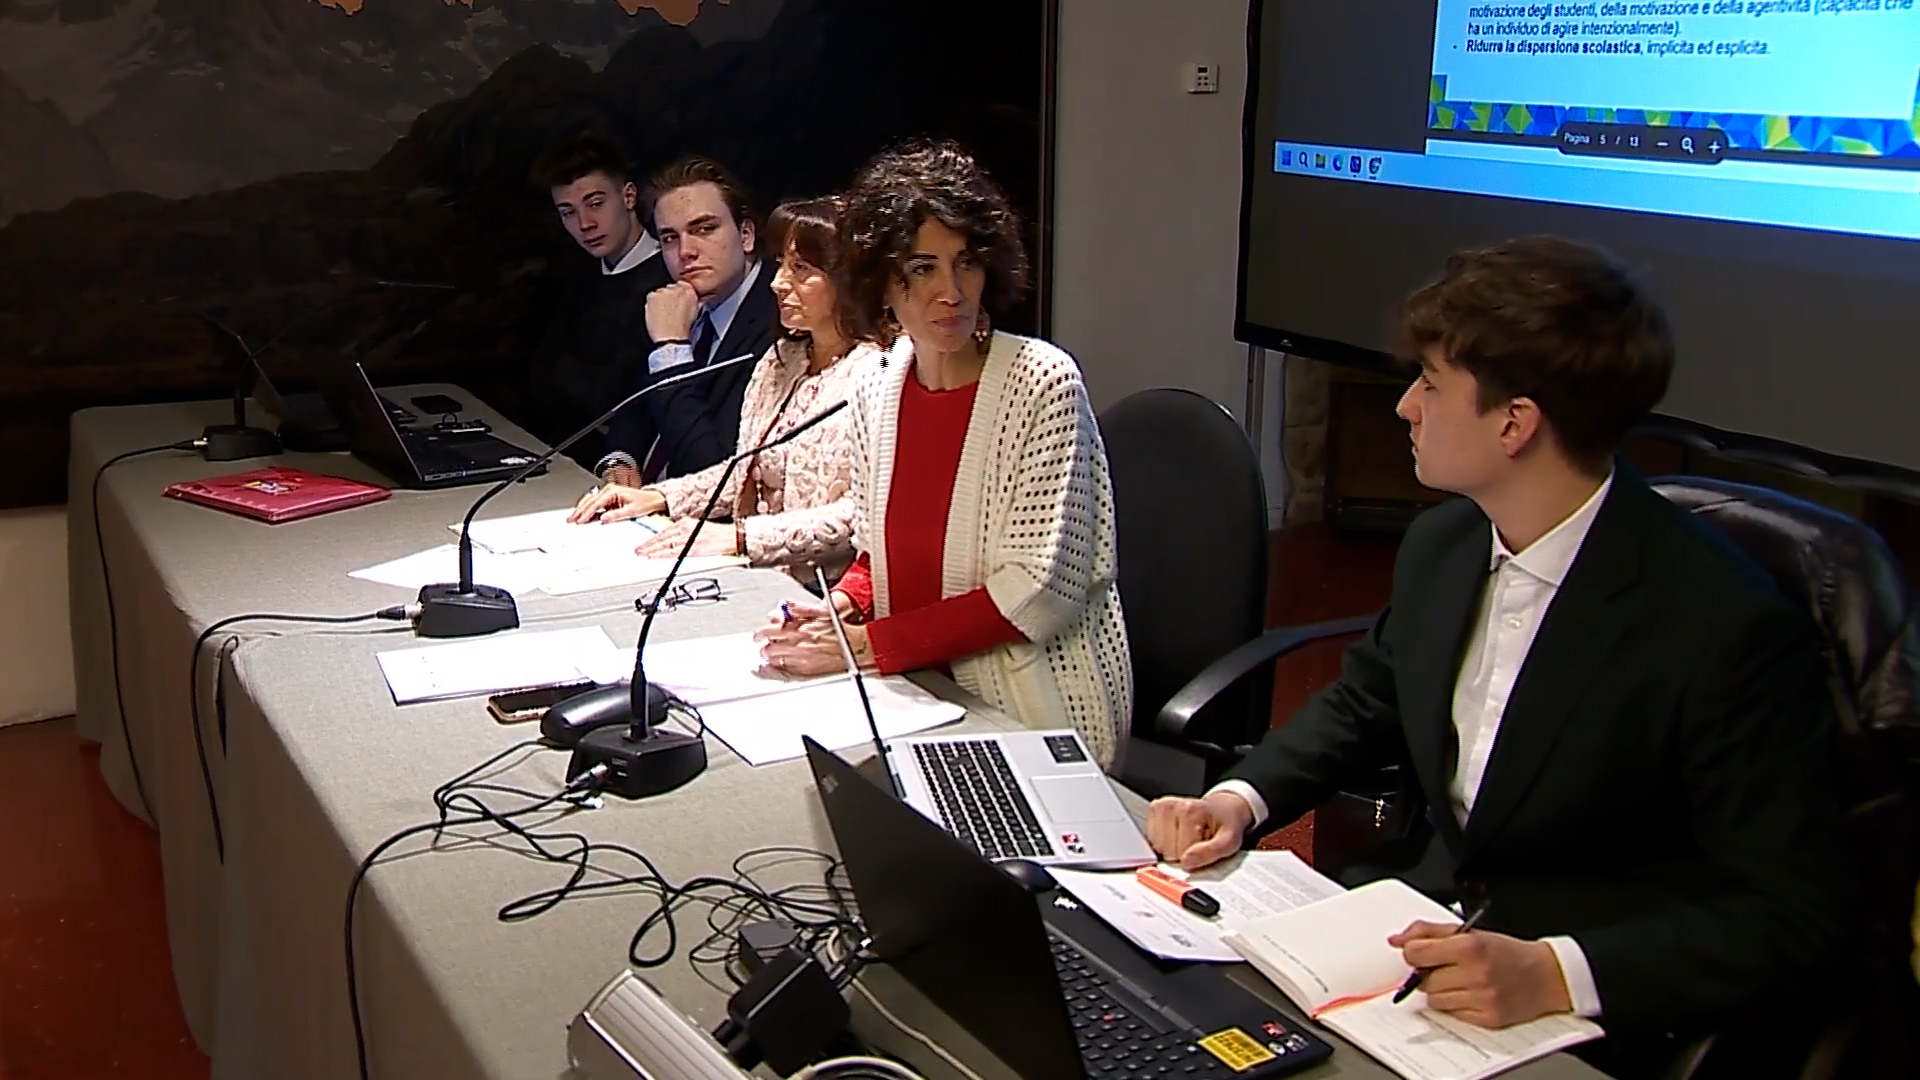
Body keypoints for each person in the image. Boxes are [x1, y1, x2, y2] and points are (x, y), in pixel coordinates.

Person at [1144, 237, 1851, 1071]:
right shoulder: (1446, 544)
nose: (1405, 407)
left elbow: (1792, 915)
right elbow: (1368, 700)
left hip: (1584, 1004)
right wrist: (1240, 798)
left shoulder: (1723, 623)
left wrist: (1557, 972)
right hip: (1415, 940)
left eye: (1430, 383)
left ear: (1515, 423)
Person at [752, 141, 1131, 769]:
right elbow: (878, 554)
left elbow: (1036, 592)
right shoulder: (876, 387)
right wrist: (838, 607)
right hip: (911, 689)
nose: (950, 291)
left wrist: (862, 646)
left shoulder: (1042, 383)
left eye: (966, 264)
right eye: (923, 268)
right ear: (881, 280)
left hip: (1032, 710)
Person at [566, 196, 880, 582]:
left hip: (825, 590)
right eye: (781, 264)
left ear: (849, 278)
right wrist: (660, 497)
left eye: (801, 269)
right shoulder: (782, 359)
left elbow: (863, 514)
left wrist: (741, 537)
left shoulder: (878, 371)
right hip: (754, 570)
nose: (778, 282)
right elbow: (743, 472)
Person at [597, 156, 780, 487]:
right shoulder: (677, 300)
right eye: (669, 237)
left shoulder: (779, 320)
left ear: (746, 235)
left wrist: (672, 349)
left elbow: (713, 473)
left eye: (704, 229)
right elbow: (639, 403)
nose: (685, 251)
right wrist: (621, 458)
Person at [525, 134, 671, 464]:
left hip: (627, 465)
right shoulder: (578, 276)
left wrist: (566, 372)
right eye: (568, 212)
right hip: (566, 455)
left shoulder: (668, 277)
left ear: (629, 196)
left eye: (595, 203)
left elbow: (620, 398)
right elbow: (540, 378)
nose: (585, 224)